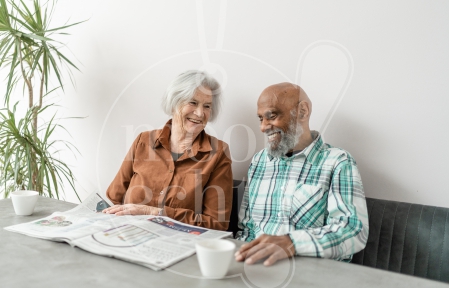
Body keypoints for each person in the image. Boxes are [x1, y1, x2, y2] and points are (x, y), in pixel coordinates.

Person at [235, 82, 368, 265]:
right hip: (257, 270)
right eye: (260, 119)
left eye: (272, 116)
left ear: (303, 111)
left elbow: (352, 231)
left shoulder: (338, 162)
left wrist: (291, 243)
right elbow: (247, 228)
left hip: (309, 276)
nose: (263, 127)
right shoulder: (260, 161)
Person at [103, 70, 233, 231]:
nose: (200, 113)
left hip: (177, 243)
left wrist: (157, 213)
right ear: (174, 103)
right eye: (192, 102)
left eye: (207, 106)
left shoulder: (218, 153)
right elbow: (112, 199)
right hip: (127, 234)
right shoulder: (143, 141)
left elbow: (217, 224)